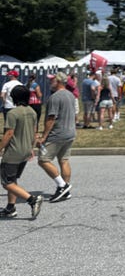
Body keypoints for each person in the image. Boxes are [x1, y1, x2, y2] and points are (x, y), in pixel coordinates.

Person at [0, 85, 43, 219]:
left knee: (6, 182)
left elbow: (9, 133)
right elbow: (34, 132)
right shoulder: (32, 112)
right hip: (25, 151)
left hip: (13, 152)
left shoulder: (13, 113)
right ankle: (10, 207)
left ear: (14, 98)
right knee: (13, 180)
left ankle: (32, 200)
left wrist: (0, 148)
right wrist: (31, 148)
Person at [37, 72, 77, 203]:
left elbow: (51, 118)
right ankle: (65, 191)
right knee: (64, 160)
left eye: (52, 80)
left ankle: (62, 186)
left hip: (57, 134)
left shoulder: (55, 97)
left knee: (43, 160)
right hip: (70, 132)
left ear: (58, 81)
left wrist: (43, 136)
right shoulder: (71, 95)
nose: (50, 82)